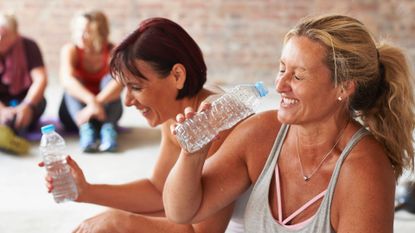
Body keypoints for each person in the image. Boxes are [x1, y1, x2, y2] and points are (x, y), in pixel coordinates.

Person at [163, 14, 415, 233]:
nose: (280, 85)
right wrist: (192, 155)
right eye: (282, 69)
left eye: (298, 75)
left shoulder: (363, 170)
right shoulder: (263, 133)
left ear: (344, 87)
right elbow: (182, 211)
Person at [40, 17, 249, 233]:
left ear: (177, 75)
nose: (127, 101)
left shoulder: (215, 119)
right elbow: (158, 191)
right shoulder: (175, 113)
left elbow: (201, 231)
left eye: (136, 87)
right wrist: (85, 191)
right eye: (125, 88)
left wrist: (120, 222)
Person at [58, 10, 123, 152]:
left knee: (110, 78)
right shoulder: (70, 49)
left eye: (87, 32)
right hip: (77, 115)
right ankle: (86, 131)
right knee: (72, 83)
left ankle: (108, 131)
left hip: (105, 113)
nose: (80, 36)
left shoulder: (113, 50)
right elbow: (66, 80)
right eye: (78, 31)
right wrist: (92, 102)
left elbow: (120, 84)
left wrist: (97, 103)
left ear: (100, 33)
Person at [0, 12, 47, 154]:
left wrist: (26, 105)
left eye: (4, 35)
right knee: (8, 118)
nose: (0, 39)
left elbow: (40, 79)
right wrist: (1, 110)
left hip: (24, 100)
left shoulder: (29, 46)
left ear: (16, 34)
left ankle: (10, 130)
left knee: (39, 103)